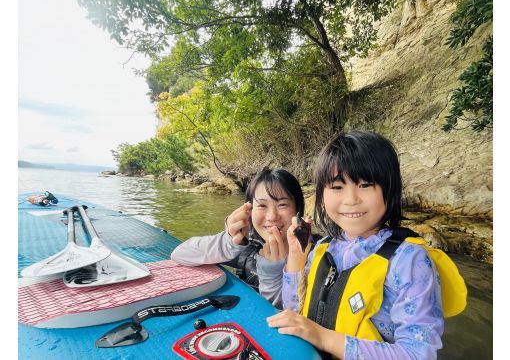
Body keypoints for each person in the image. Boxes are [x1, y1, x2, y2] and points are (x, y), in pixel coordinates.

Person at [267, 131, 466, 359]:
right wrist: (295, 254)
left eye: (365, 184)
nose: (351, 199)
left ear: (389, 188)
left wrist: (322, 337)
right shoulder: (323, 247)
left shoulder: (409, 260)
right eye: (337, 186)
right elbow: (293, 314)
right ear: (322, 194)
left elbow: (417, 354)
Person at [171, 168, 307, 309]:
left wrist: (271, 272)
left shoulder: (315, 255)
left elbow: (290, 313)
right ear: (249, 210)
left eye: (282, 205)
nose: (272, 216)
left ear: (298, 209)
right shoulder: (248, 249)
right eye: (261, 205)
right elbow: (180, 254)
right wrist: (228, 242)